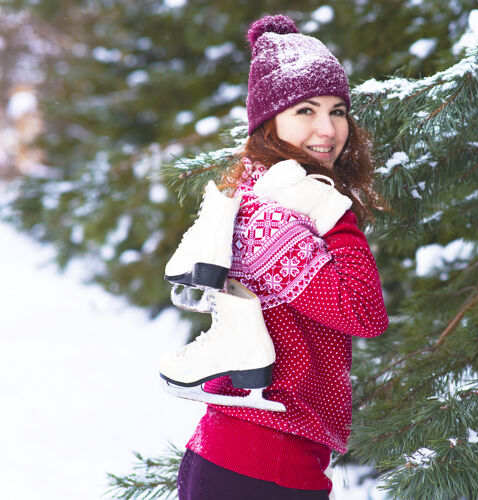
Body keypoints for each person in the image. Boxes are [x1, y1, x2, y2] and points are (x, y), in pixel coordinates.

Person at [175, 14, 389, 500]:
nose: (327, 129)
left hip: (252, 459)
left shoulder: (275, 195)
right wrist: (338, 217)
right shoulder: (273, 215)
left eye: (337, 110)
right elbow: (364, 313)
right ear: (268, 123)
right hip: (260, 465)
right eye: (305, 111)